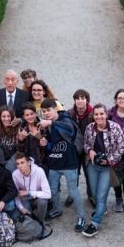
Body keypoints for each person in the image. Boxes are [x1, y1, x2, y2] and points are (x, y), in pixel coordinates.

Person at [37, 99, 86, 232]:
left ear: (55, 109)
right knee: (53, 191)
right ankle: (57, 209)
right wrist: (45, 145)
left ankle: (81, 216)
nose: (46, 113)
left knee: (73, 192)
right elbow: (53, 146)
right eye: (44, 111)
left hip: (70, 164)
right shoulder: (47, 125)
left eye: (48, 110)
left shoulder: (65, 119)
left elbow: (70, 131)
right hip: (54, 164)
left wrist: (51, 123)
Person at [82, 103, 124, 237]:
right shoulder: (90, 128)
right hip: (93, 165)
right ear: (93, 115)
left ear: (106, 114)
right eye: (96, 114)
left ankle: (95, 223)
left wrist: (109, 160)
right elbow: (85, 143)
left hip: (108, 167)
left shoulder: (115, 128)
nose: (99, 117)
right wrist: (89, 151)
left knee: (101, 195)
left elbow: (121, 147)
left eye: (101, 114)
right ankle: (102, 208)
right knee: (94, 193)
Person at [66, 89, 95, 208]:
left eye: (83, 98)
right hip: (74, 149)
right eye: (77, 98)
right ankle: (72, 194)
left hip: (88, 149)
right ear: (74, 100)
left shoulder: (93, 114)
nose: (80, 101)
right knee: (73, 173)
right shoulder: (70, 113)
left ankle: (91, 195)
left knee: (89, 174)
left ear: (87, 100)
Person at [11, 152, 51, 225]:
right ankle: (29, 218)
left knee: (42, 201)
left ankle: (40, 222)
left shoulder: (39, 171)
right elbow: (16, 195)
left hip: (36, 199)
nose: (20, 166)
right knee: (14, 217)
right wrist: (21, 208)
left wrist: (28, 192)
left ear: (29, 162)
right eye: (18, 163)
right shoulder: (15, 174)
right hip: (24, 201)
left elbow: (48, 194)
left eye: (22, 163)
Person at [16, 102, 47, 173]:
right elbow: (19, 150)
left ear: (36, 113)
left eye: (32, 114)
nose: (30, 116)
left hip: (42, 162)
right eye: (27, 115)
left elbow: (46, 148)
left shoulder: (42, 126)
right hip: (27, 163)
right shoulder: (21, 128)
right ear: (23, 117)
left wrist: (40, 137)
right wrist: (20, 140)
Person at [0, 106, 19, 172]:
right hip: (4, 160)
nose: (6, 119)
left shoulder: (18, 127)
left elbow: (20, 148)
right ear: (0, 117)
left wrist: (11, 163)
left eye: (8, 116)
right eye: (3, 116)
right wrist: (3, 163)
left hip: (16, 159)